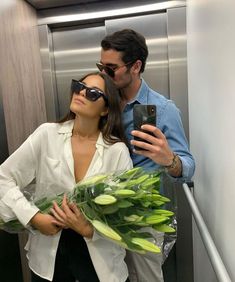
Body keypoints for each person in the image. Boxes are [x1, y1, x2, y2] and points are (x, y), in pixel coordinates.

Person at [0, 72, 133, 282]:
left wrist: (89, 230)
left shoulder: (117, 151)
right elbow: (3, 178)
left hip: (100, 259)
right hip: (50, 255)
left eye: (92, 93)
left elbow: (126, 216)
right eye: (79, 86)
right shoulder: (47, 135)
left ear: (106, 109)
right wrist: (33, 217)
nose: (81, 92)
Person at [97, 29, 195, 281]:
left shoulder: (163, 109)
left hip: (141, 216)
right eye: (101, 66)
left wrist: (168, 159)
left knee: (145, 277)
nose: (103, 74)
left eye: (111, 68)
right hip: (99, 211)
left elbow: (188, 166)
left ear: (136, 66)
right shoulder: (101, 101)